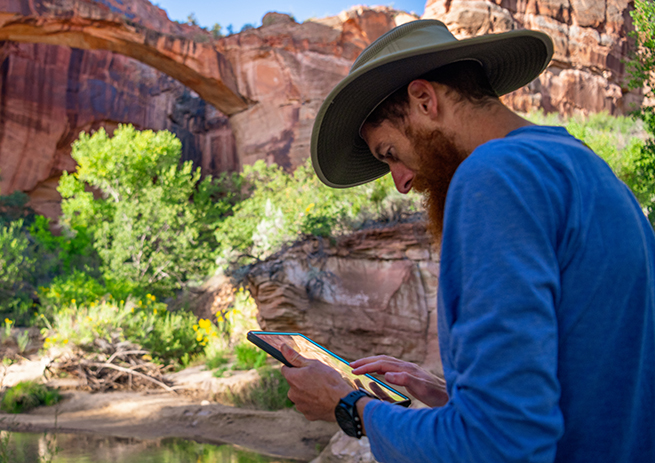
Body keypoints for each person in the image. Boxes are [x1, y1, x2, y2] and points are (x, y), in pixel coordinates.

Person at [280, 19, 655, 462]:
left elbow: (496, 447)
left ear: (424, 99)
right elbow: (586, 387)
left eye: (389, 154)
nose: (400, 182)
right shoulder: (585, 168)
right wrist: (448, 395)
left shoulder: (495, 177)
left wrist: (351, 407)